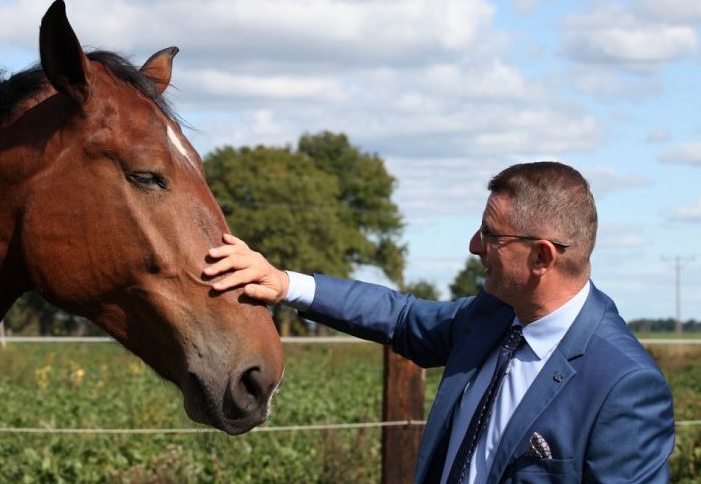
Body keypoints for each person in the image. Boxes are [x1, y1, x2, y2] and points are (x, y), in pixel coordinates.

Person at [204, 161, 675, 483]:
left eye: (491, 235)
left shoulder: (624, 386)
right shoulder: (492, 317)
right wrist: (285, 283)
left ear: (541, 256)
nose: (474, 246)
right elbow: (402, 316)